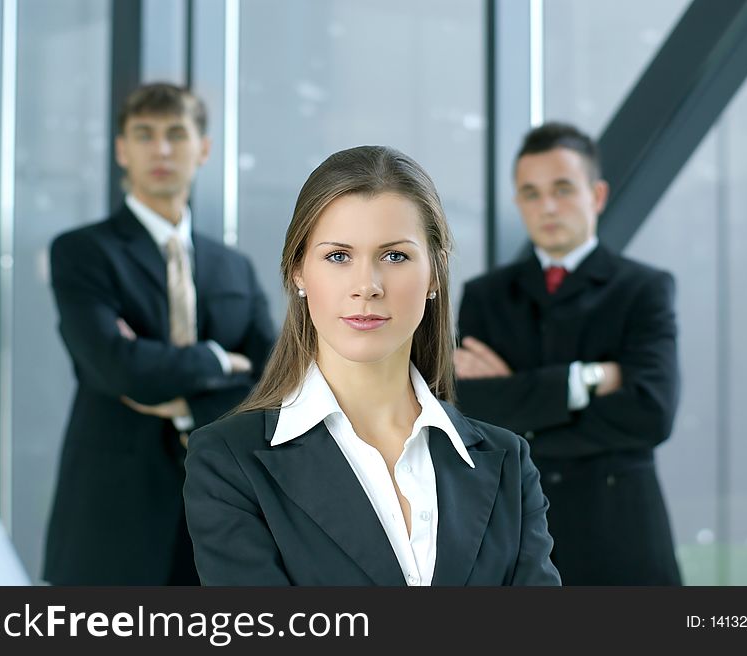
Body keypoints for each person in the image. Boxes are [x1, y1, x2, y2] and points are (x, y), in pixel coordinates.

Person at [183, 145, 561, 586]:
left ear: (435, 275)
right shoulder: (229, 462)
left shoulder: (509, 464)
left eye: (395, 256)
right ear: (298, 272)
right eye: (338, 256)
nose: (367, 286)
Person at [43, 83, 275, 585]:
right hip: (111, 511)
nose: (162, 150)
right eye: (144, 135)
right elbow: (116, 367)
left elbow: (279, 382)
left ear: (203, 149)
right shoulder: (82, 252)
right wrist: (219, 361)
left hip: (224, 505)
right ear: (122, 150)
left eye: (176, 134)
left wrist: (192, 405)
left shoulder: (234, 267)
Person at [454, 122, 681, 585]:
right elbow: (472, 418)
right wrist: (585, 382)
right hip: (517, 533)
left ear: (596, 196)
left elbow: (651, 414)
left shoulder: (643, 290)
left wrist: (520, 405)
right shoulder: (485, 296)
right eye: (531, 193)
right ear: (518, 203)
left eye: (562, 189)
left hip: (620, 534)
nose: (548, 207)